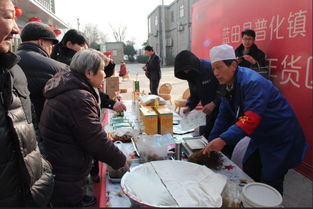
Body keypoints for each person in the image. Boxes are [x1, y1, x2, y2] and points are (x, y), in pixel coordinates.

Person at [203, 44, 308, 194]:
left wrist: (223, 139)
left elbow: (250, 118)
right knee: (250, 169)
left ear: (233, 65)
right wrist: (212, 140)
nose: (215, 73)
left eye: (218, 67)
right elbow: (223, 116)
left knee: (271, 180)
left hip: (279, 136)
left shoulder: (252, 82)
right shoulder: (228, 85)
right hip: (259, 135)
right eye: (213, 68)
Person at [39, 49, 129, 207]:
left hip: (62, 160)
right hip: (67, 168)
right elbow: (95, 139)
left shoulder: (70, 84)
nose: (105, 74)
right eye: (101, 69)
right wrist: (121, 160)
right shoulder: (78, 97)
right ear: (89, 73)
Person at [0, 0, 54, 206]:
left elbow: (32, 130)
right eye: (8, 16)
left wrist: (44, 171)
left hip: (34, 195)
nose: (15, 29)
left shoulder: (15, 70)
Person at [16, 22, 68, 124]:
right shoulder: (59, 68)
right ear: (41, 42)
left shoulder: (8, 62)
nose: (51, 48)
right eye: (50, 44)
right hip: (44, 127)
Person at [174, 50, 220, 139]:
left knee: (217, 137)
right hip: (207, 112)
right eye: (184, 71)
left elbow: (223, 88)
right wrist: (189, 106)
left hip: (221, 110)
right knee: (206, 135)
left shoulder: (209, 69)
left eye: (187, 69)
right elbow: (194, 95)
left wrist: (214, 103)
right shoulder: (190, 74)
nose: (186, 72)